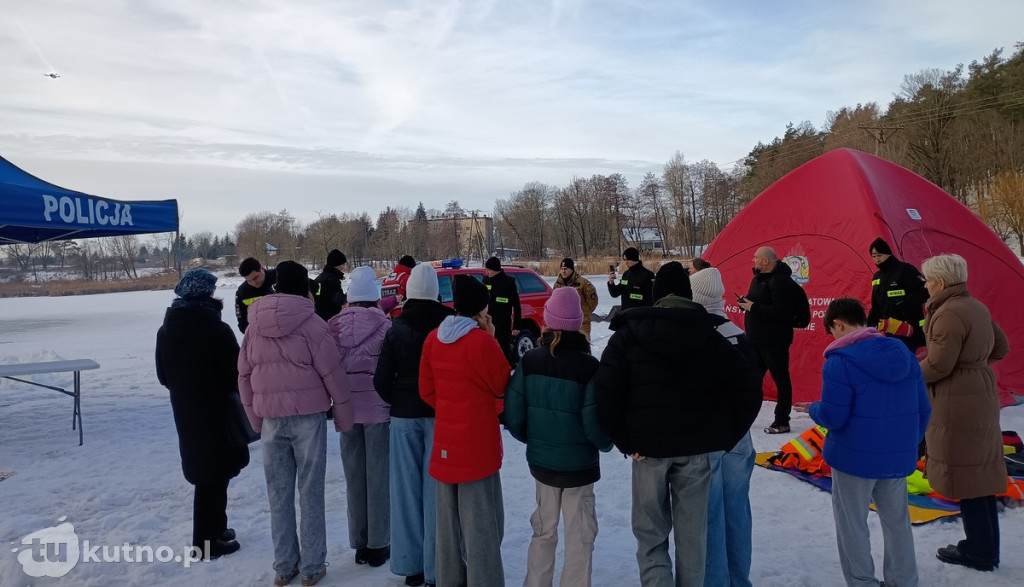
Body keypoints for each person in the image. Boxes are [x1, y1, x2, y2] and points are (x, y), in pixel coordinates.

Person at [595, 262, 762, 587]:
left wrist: (625, 441)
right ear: (688, 296)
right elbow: (748, 388)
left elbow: (606, 392)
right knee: (693, 538)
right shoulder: (710, 335)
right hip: (695, 453)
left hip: (647, 452)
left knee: (651, 537)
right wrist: (724, 436)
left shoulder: (628, 334)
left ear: (656, 296)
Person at [794, 298, 930, 587]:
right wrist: (908, 443)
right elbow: (923, 409)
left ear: (839, 324)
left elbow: (834, 416)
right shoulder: (905, 355)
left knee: (852, 525)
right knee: (897, 523)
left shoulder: (839, 362)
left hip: (853, 459)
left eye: (832, 331)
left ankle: (861, 581)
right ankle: (904, 580)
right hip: (896, 456)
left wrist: (814, 409)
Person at [238, 260, 355, 587]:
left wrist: (255, 419)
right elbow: (332, 373)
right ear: (305, 288)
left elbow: (244, 375)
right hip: (308, 418)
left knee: (278, 494)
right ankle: (312, 566)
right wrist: (344, 416)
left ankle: (284, 566)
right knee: (310, 491)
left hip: (271, 419)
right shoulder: (313, 324)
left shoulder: (253, 326)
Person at [504, 287, 613, 587]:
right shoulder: (589, 366)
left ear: (549, 321)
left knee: (543, 530)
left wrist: (534, 439)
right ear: (577, 322)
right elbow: (594, 421)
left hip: (543, 465)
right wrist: (606, 443)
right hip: (579, 467)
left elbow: (513, 412)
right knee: (580, 536)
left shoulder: (529, 361)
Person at [918, 254, 1009, 572]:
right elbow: (1001, 347)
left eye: (928, 280)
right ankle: (986, 546)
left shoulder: (948, 313)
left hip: (956, 399)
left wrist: (908, 374)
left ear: (941, 282)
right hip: (980, 393)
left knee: (968, 476)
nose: (926, 285)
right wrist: (975, 365)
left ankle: (979, 552)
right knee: (979, 473)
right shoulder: (976, 307)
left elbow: (938, 365)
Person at [419, 274, 511, 587]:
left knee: (448, 528)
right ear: (481, 309)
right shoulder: (482, 342)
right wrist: (493, 338)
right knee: (481, 527)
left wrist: (450, 406)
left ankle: (449, 580)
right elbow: (502, 385)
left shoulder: (434, 338)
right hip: (477, 448)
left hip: (445, 445)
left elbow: (426, 391)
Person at [155, 268, 249, 560]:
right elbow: (236, 373)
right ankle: (206, 544)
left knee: (210, 472)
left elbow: (163, 375)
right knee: (213, 476)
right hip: (218, 411)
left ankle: (217, 529)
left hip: (187, 411)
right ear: (205, 294)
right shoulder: (216, 329)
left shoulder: (166, 330)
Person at [374, 263, 454, 587]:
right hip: (439, 415)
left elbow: (380, 381)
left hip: (404, 417)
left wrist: (399, 399)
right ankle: (437, 567)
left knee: (405, 492)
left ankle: (411, 566)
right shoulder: (449, 326)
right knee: (436, 492)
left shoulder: (396, 328)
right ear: (436, 292)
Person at [689, 267, 760, 587]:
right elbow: (753, 387)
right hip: (739, 436)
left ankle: (715, 581)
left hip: (710, 437)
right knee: (737, 512)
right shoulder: (738, 334)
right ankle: (739, 579)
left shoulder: (699, 336)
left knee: (710, 516)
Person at [327, 266, 392, 568]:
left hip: (346, 410)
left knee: (354, 478)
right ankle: (379, 544)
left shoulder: (333, 326)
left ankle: (360, 544)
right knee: (378, 478)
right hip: (378, 410)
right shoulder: (385, 326)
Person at [737, 246, 798, 434]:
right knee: (752, 379)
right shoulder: (758, 279)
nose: (753, 260)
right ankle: (743, 417)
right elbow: (755, 302)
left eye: (756, 257)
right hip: (755, 340)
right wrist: (744, 303)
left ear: (766, 260)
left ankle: (782, 421)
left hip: (774, 341)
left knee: (781, 379)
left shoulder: (781, 281)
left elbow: (782, 312)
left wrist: (753, 307)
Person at [866, 238, 928, 352]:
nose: (876, 259)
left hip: (909, 329)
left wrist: (904, 302)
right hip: (890, 329)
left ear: (888, 254)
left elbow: (925, 291)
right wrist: (868, 327)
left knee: (907, 357)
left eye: (879, 255)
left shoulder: (905, 270)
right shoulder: (877, 277)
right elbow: (876, 306)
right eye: (873, 256)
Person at [483, 256, 522, 366]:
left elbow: (517, 306)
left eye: (489, 270)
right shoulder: (485, 280)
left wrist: (516, 326)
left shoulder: (509, 282)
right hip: (487, 323)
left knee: (503, 351)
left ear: (495, 269)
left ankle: (505, 369)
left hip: (502, 324)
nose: (487, 272)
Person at [553, 257, 599, 339]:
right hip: (564, 324)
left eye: (566, 269)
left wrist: (585, 314)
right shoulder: (558, 284)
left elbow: (593, 301)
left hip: (581, 323)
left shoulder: (583, 283)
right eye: (562, 269)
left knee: (583, 345)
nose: (563, 271)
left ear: (572, 269)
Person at [235, 257, 277, 333]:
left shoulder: (278, 277)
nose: (254, 283)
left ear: (261, 268)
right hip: (259, 333)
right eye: (249, 281)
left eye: (255, 278)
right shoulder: (242, 292)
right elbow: (240, 316)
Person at [313, 249, 348, 321]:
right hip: (331, 317)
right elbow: (338, 299)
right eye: (342, 264)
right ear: (336, 265)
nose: (344, 267)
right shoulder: (332, 280)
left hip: (318, 316)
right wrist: (349, 296)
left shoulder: (320, 277)